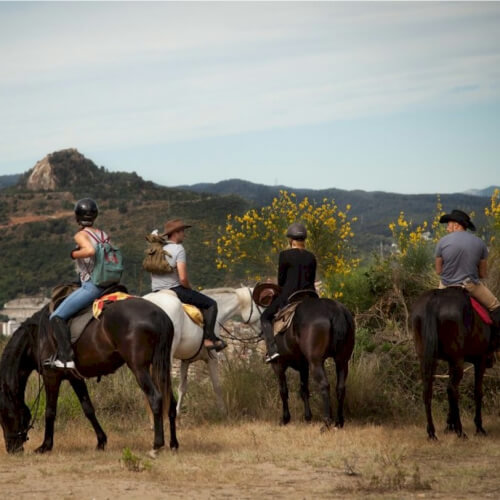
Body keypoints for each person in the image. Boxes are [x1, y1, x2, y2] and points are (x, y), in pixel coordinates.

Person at [45, 198, 109, 370]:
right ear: (95, 215)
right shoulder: (103, 234)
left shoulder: (81, 235)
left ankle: (66, 358)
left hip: (92, 286)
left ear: (77, 217)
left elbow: (89, 251)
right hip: (108, 283)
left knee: (56, 317)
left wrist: (74, 254)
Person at [151, 218, 227, 352]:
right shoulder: (178, 249)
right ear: (176, 233)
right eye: (183, 231)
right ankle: (209, 339)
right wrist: (190, 289)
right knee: (211, 304)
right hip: (174, 290)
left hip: (155, 291)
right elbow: (183, 278)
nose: (184, 234)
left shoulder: (158, 249)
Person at [435, 209, 500, 355]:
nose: (447, 228)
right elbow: (482, 274)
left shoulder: (442, 242)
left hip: (445, 285)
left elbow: (439, 271)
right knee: (495, 306)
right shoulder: (480, 243)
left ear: (457, 225)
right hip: (470, 285)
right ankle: (494, 346)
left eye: (449, 224)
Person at [260, 222, 317, 363]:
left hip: (290, 296)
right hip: (310, 296)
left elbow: (281, 281)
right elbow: (311, 279)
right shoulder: (311, 257)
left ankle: (272, 351)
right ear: (304, 240)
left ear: (291, 240)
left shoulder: (284, 255)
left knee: (265, 317)